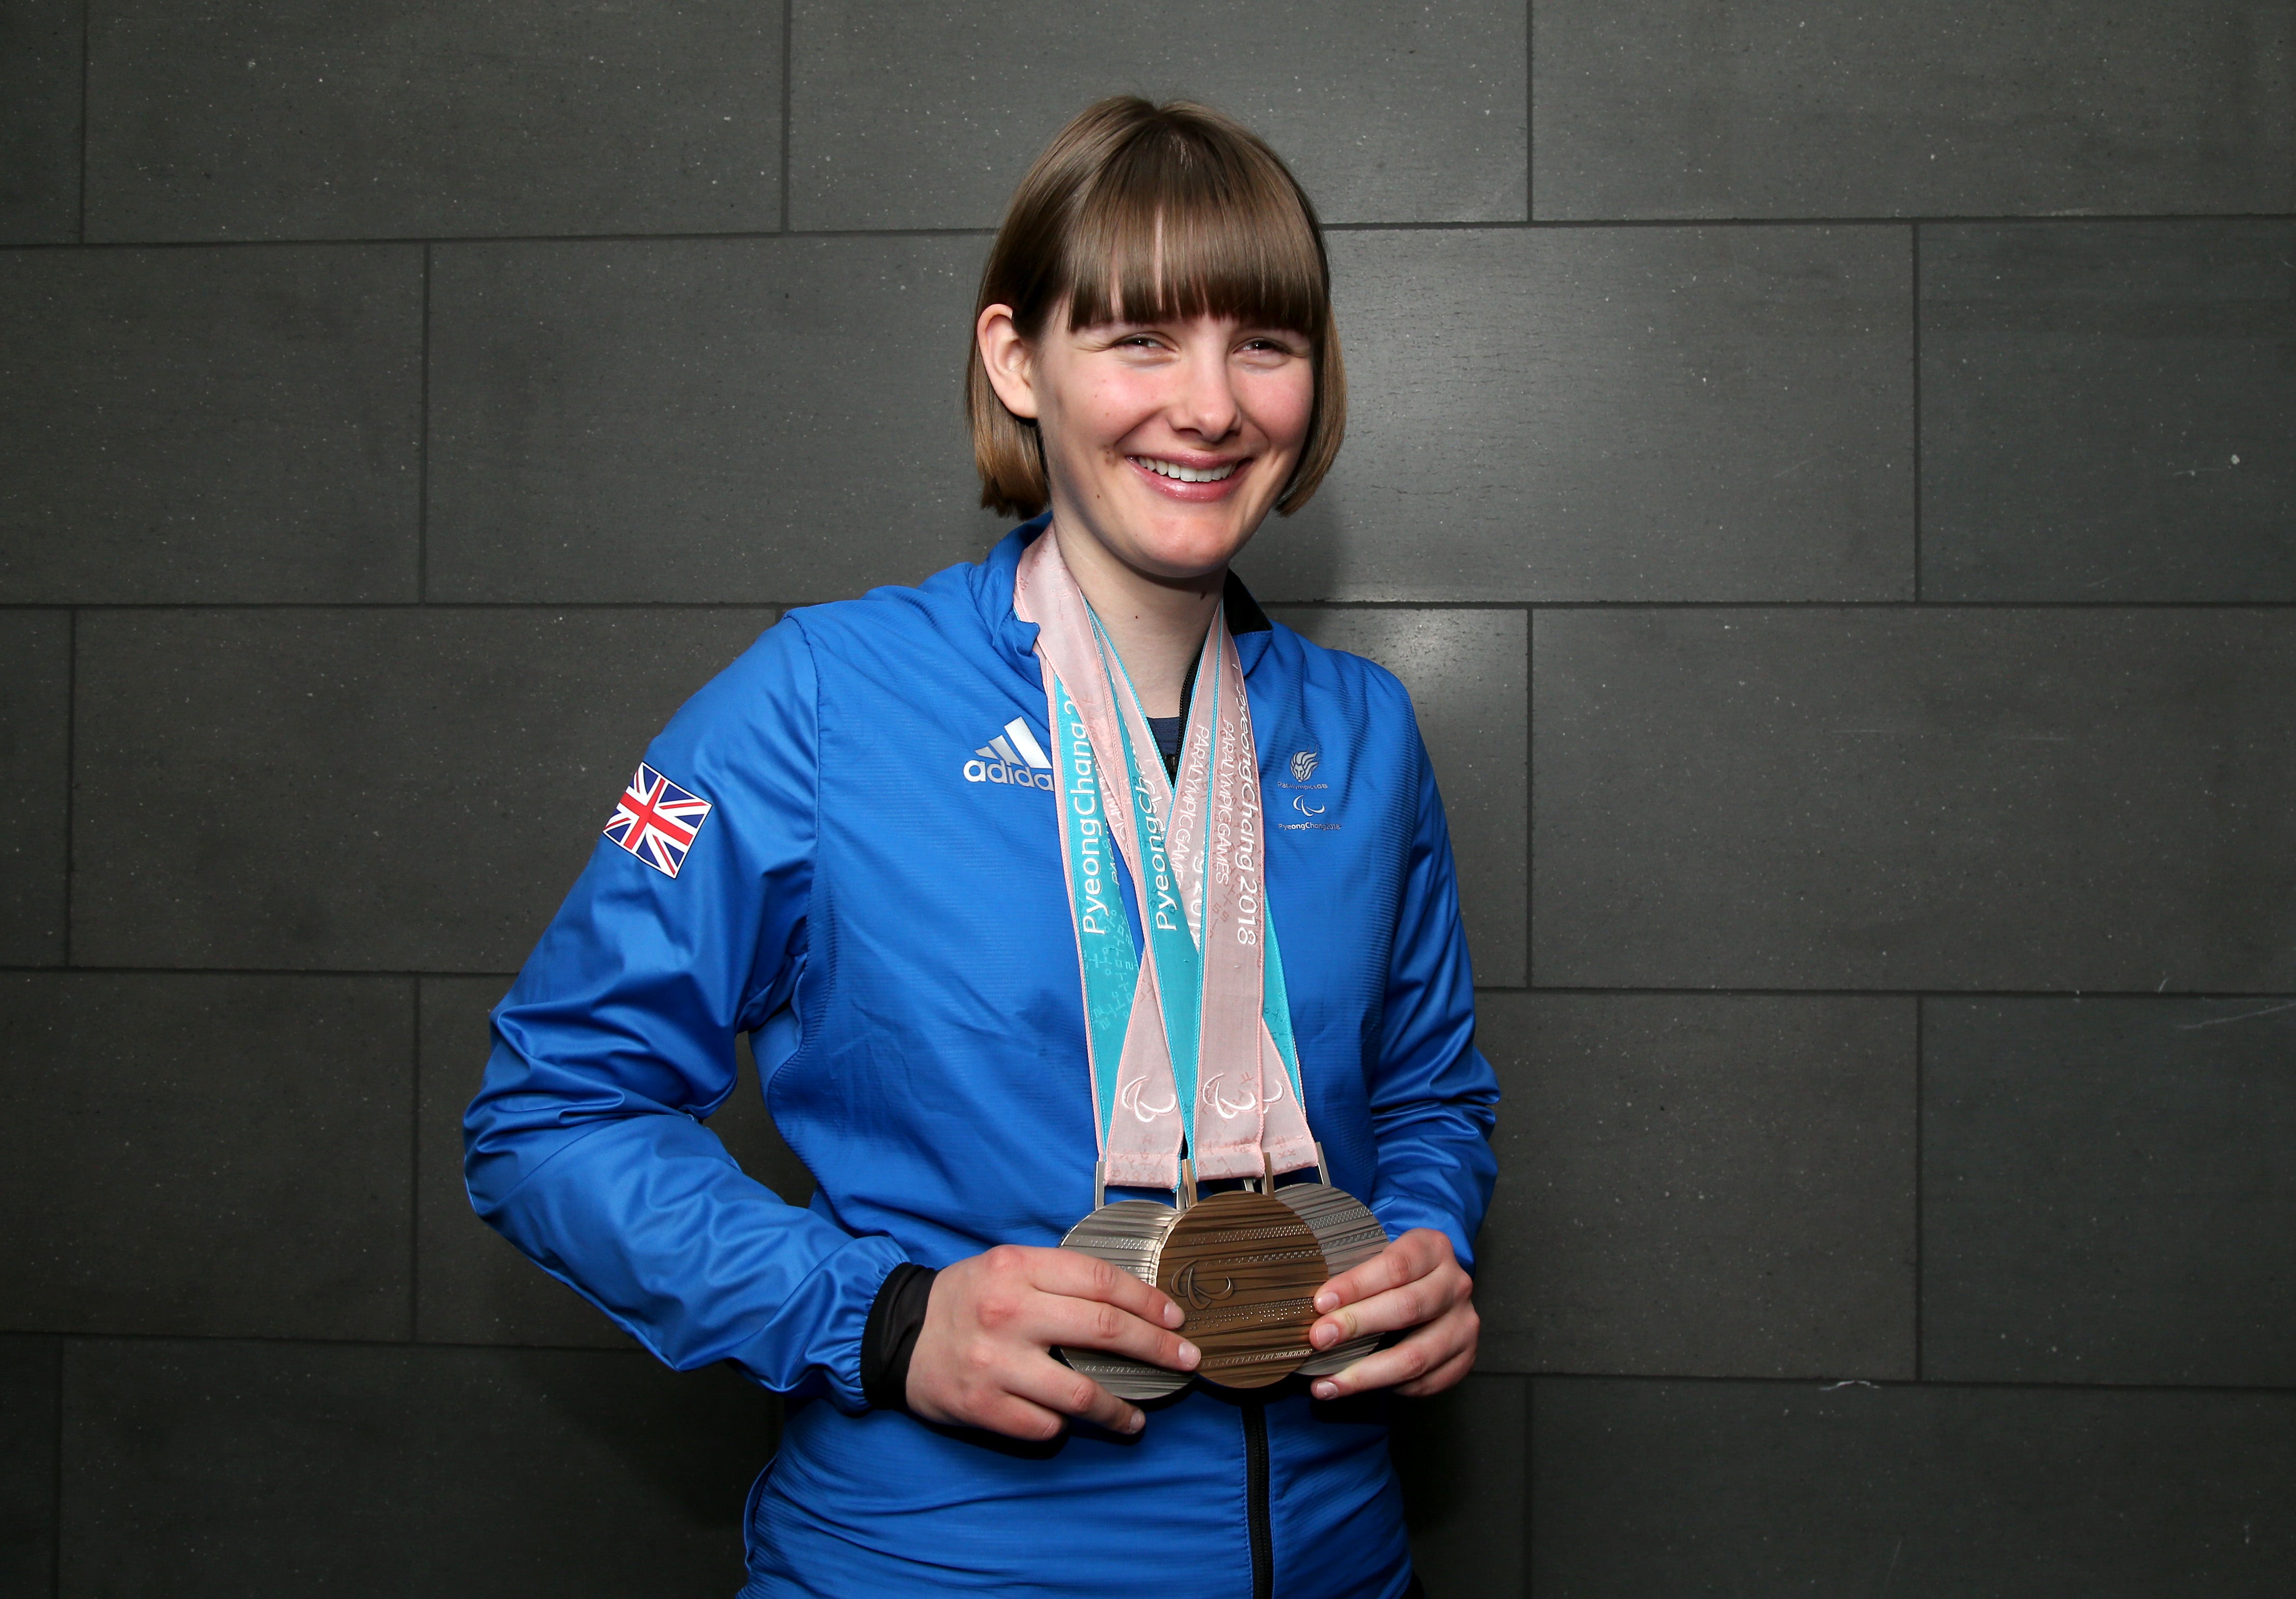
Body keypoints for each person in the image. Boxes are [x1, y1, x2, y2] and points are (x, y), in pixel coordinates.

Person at [464, 95, 1499, 1598]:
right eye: (1140, 338)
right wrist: (879, 1319)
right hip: (930, 1560)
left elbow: (1427, 1093)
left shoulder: (1361, 733)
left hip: (1337, 1556)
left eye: (1263, 344)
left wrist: (1418, 1246)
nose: (1210, 405)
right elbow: (550, 1112)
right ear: (1018, 359)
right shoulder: (822, 699)